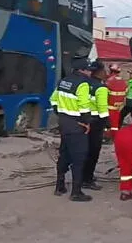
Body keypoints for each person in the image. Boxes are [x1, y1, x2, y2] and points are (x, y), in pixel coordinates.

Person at [50, 56, 93, 202]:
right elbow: (84, 106)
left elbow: (53, 100)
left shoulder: (63, 81)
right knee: (79, 158)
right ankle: (76, 192)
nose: (90, 72)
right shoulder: (83, 84)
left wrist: (62, 115)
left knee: (64, 154)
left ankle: (59, 186)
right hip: (77, 125)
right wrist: (87, 122)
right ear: (81, 70)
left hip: (64, 123)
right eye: (88, 69)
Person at [82, 60, 109, 191]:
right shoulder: (101, 88)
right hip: (96, 123)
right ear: (100, 71)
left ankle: (81, 176)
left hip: (83, 120)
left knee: (83, 150)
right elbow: (103, 108)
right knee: (93, 152)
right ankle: (87, 179)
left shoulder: (84, 83)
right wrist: (108, 124)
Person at [105, 64, 128, 140]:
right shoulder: (123, 82)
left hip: (108, 107)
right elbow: (125, 93)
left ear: (111, 71)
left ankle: (106, 137)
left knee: (106, 124)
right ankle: (114, 138)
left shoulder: (109, 81)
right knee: (115, 125)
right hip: (118, 107)